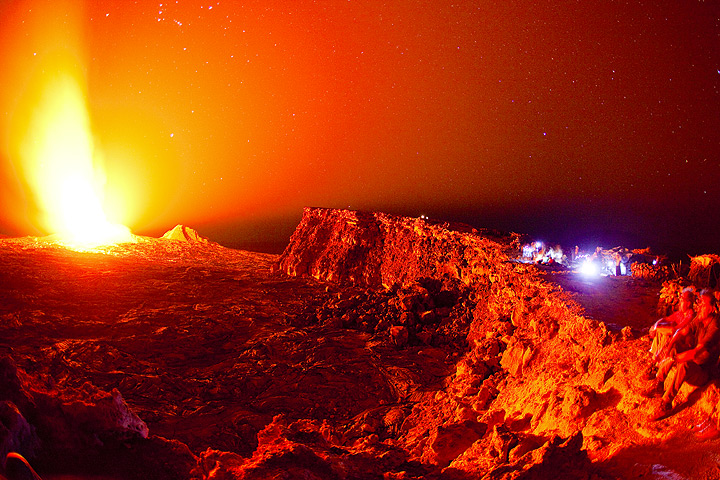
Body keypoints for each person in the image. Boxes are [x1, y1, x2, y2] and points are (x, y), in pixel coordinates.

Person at [646, 289, 720, 420]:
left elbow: (696, 352)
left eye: (703, 304)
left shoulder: (714, 327)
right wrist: (668, 349)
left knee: (684, 364)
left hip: (703, 371)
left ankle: (666, 404)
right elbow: (681, 332)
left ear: (712, 309)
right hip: (695, 363)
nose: (699, 306)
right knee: (675, 346)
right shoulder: (700, 319)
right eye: (699, 303)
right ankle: (659, 383)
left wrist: (672, 358)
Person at [649, 288, 696, 364]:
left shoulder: (690, 316)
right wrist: (655, 325)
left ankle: (659, 359)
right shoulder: (680, 313)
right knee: (662, 328)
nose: (679, 303)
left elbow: (675, 330)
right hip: (675, 339)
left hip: (684, 346)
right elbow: (665, 319)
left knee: (665, 334)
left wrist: (658, 329)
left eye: (682, 301)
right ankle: (656, 357)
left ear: (688, 303)